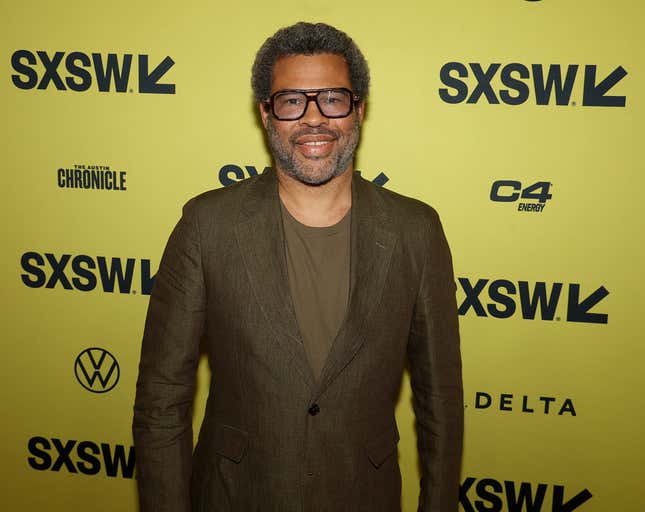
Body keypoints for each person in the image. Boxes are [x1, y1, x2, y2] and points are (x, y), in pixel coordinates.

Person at [133, 21, 463, 512]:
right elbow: (162, 399)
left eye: (332, 98)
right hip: (234, 495)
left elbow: (440, 399)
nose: (314, 119)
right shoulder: (207, 225)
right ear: (266, 114)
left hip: (363, 495)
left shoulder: (416, 230)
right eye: (291, 101)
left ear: (359, 110)